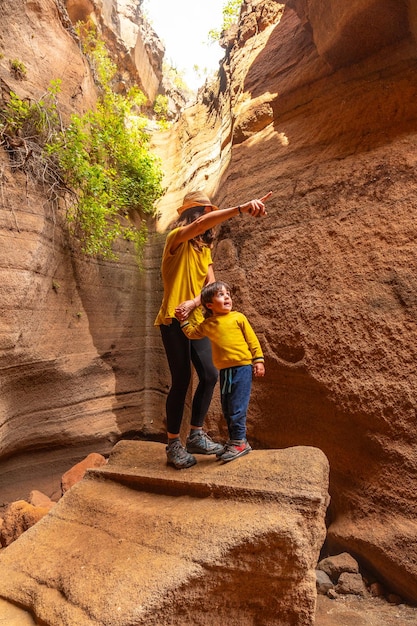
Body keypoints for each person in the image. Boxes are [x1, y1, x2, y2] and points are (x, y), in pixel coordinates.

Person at [154, 189, 272, 469]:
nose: (209, 221)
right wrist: (241, 207)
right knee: (182, 381)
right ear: (194, 216)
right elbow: (197, 227)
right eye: (206, 214)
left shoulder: (204, 251)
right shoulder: (175, 240)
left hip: (200, 322)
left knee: (209, 374)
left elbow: (211, 289)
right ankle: (173, 445)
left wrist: (197, 302)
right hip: (174, 320)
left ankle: (195, 434)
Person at [178, 280, 265, 463]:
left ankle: (240, 442)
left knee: (237, 407)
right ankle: (234, 441)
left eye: (228, 294)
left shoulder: (238, 317)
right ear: (209, 304)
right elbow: (192, 334)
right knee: (227, 407)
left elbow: (252, 340)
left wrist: (258, 360)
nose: (227, 297)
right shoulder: (209, 324)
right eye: (221, 295)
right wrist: (183, 321)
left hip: (242, 367)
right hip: (226, 371)